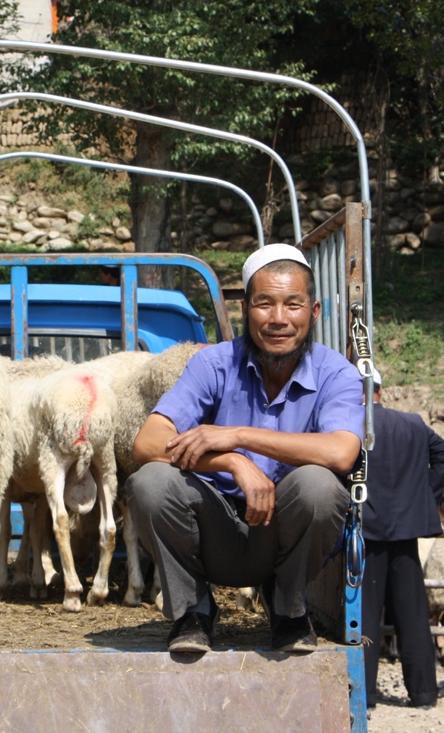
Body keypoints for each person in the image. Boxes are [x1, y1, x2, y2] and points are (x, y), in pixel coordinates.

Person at [126, 243, 363, 654]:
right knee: (150, 482)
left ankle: (288, 609)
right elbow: (147, 442)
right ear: (244, 308)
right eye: (264, 304)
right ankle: (193, 611)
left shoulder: (336, 373)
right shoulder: (213, 364)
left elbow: (341, 453)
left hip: (279, 536)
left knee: (319, 486)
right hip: (212, 528)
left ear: (315, 311)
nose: (278, 319)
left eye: (293, 305)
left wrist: (239, 436)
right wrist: (232, 462)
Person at [362, 369, 444, 709]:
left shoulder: (351, 425)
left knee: (367, 614)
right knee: (414, 614)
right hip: (406, 531)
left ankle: (365, 695)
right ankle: (424, 694)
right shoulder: (414, 423)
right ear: (381, 392)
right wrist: (424, 499)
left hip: (367, 531)